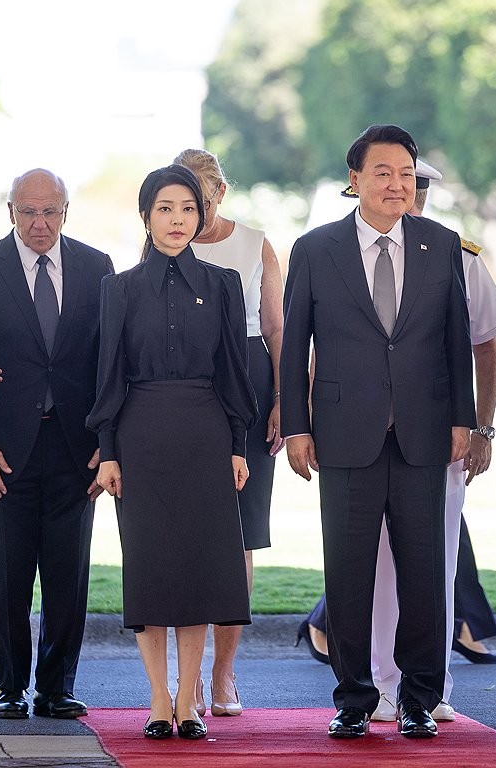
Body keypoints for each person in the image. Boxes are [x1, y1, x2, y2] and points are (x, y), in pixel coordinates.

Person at [280, 124, 476, 740]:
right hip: (342, 436)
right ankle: (355, 698)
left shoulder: (443, 246)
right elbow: (293, 350)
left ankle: (419, 697)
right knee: (347, 572)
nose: (397, 184)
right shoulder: (315, 250)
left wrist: (463, 421)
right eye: (383, 173)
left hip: (423, 434)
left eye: (406, 173)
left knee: (424, 573)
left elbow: (457, 344)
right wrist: (295, 427)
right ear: (355, 181)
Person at [88, 164, 257, 741]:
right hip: (139, 437)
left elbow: (236, 371)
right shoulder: (119, 288)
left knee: (200, 569)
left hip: (207, 435)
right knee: (152, 565)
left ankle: (188, 701)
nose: (177, 219)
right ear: (146, 216)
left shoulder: (225, 285)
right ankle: (158, 699)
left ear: (201, 215)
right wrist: (107, 449)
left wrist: (238, 443)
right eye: (165, 208)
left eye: (187, 208)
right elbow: (107, 376)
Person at [0, 168, 114, 720]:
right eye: (28, 212)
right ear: (10, 211)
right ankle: (9, 686)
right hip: (1, 451)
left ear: (67, 211)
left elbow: (112, 367)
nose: (39, 224)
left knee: (69, 573)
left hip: (75, 448)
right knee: (7, 572)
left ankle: (57, 686)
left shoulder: (96, 268)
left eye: (50, 212)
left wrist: (106, 443)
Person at [172, 148, 285, 717]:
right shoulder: (165, 238)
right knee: (185, 531)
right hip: (182, 382)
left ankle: (223, 675)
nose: (194, 209)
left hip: (249, 375)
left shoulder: (256, 242)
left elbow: (275, 325)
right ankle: (186, 677)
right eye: (183, 199)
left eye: (204, 196)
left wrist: (287, 398)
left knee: (241, 534)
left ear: (221, 192)